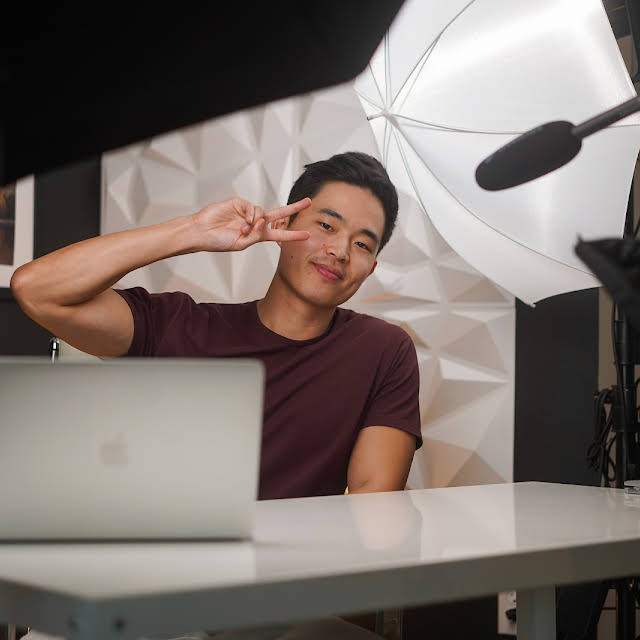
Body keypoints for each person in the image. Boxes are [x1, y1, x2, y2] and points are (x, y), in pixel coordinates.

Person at [11, 151, 421, 638]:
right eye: (327, 226)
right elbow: (36, 290)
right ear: (283, 223)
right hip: (142, 592)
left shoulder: (382, 350)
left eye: (362, 243)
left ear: (371, 267)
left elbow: (373, 510)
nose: (339, 250)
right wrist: (191, 232)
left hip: (267, 605)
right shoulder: (179, 326)